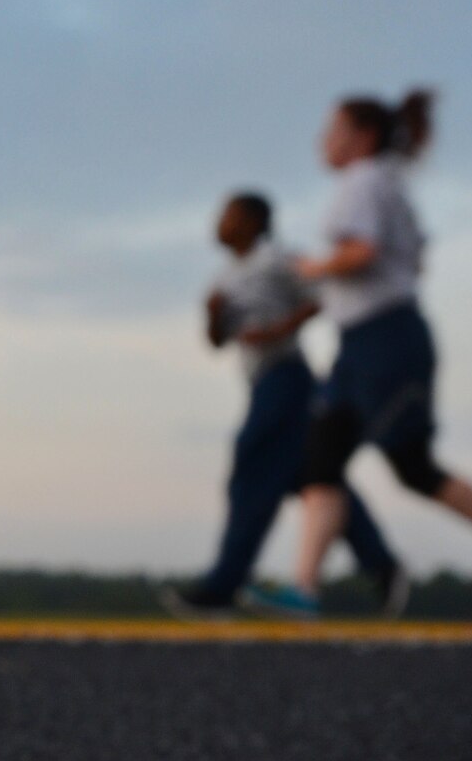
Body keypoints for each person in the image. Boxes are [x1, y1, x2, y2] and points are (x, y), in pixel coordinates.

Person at [244, 90, 472, 619]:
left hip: (386, 343)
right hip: (360, 345)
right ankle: (304, 589)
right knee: (318, 461)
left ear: (361, 137)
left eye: (332, 131)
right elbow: (415, 259)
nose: (323, 142)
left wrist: (312, 269)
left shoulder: (363, 182)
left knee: (412, 468)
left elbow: (362, 251)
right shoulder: (389, 184)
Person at [162, 192, 408, 619]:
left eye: (229, 215)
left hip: (288, 378)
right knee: (316, 477)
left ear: (254, 221)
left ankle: (224, 583)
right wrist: (212, 316)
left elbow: (323, 295)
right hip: (261, 383)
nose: (219, 223)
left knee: (252, 463)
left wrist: (280, 328)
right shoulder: (224, 277)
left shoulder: (276, 260)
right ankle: (383, 565)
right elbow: (219, 342)